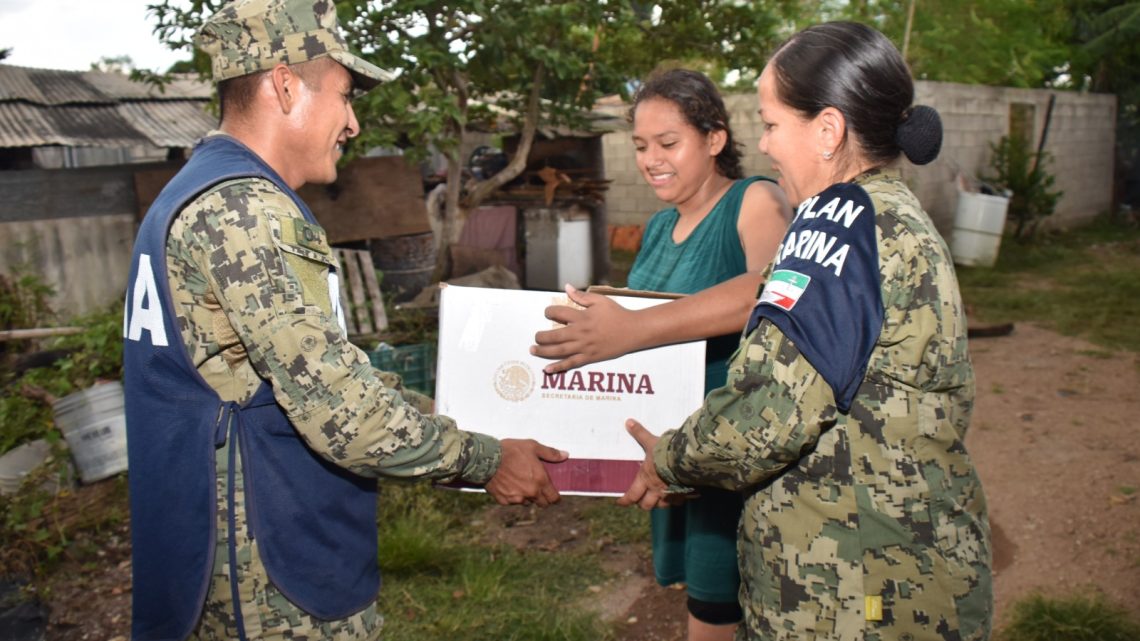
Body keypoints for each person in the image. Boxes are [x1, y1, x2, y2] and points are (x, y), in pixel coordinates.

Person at [121, 1, 565, 639]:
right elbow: (341, 411)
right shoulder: (247, 212)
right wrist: (483, 458)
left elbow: (315, 375)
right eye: (346, 96)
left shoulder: (198, 192)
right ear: (284, 84)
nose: (353, 123)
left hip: (216, 560)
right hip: (270, 578)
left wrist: (467, 420)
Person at [618, 22, 993, 641]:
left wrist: (670, 460)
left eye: (770, 124)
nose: (763, 144)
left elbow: (771, 411)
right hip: (889, 568)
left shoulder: (838, 224)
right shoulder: (887, 213)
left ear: (827, 130)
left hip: (858, 588)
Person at [537, 68, 791, 641]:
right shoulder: (657, 226)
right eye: (641, 146)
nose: (652, 159)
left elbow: (769, 289)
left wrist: (632, 326)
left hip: (730, 443)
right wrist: (599, 309)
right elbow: (645, 317)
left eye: (669, 143)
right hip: (672, 447)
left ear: (715, 139)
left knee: (721, 603)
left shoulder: (753, 200)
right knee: (708, 602)